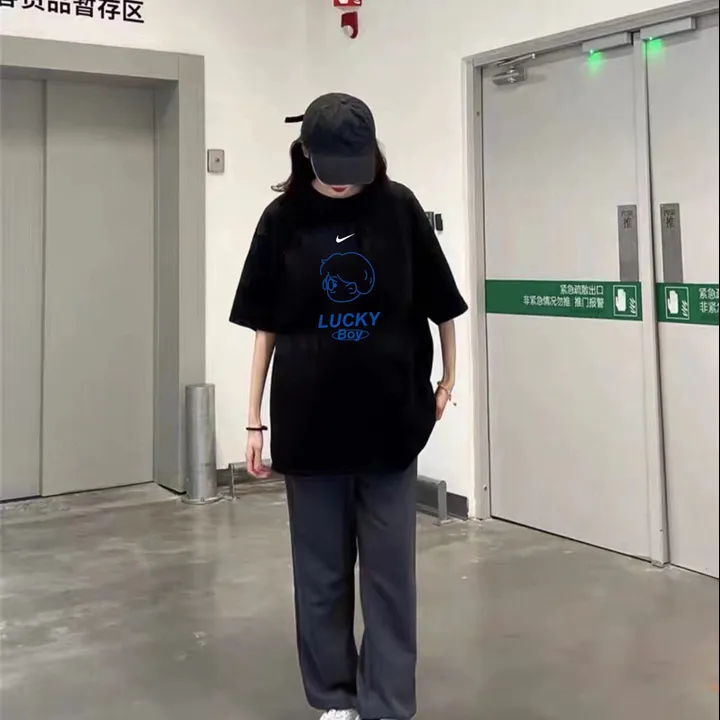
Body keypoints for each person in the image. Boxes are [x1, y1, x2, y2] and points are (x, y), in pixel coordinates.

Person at [229, 93, 468, 720]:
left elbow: (442, 303)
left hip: (391, 425)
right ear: (305, 153)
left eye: (353, 169)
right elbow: (265, 327)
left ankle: (387, 704)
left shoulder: (399, 208)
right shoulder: (282, 219)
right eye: (330, 168)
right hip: (309, 427)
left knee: (390, 578)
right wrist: (253, 419)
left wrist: (449, 378)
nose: (341, 184)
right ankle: (335, 699)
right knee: (321, 577)